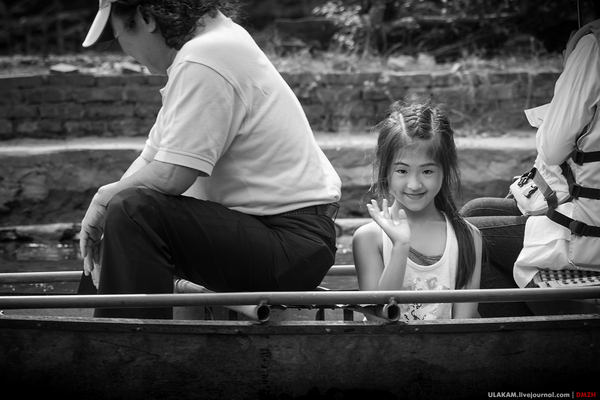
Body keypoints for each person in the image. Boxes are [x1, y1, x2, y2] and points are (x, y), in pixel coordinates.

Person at [78, 0, 342, 319]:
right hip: (274, 236)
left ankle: (130, 353)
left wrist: (105, 198)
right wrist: (106, 213)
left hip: (289, 242)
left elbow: (172, 177)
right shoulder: (209, 47)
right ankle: (104, 337)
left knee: (134, 211)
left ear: (146, 17)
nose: (125, 52)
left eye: (119, 36)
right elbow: (152, 159)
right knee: (125, 210)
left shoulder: (205, 55)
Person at [460, 16, 600, 317]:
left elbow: (552, 148)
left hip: (589, 234)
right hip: (585, 213)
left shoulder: (593, 47)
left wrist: (571, 68)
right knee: (475, 211)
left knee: (463, 241)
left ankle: (524, 342)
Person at [352, 100, 482, 321]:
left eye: (427, 171)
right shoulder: (369, 238)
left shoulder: (468, 237)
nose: (414, 184)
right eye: (402, 170)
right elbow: (379, 321)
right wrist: (400, 247)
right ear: (384, 170)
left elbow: (463, 326)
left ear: (445, 170)